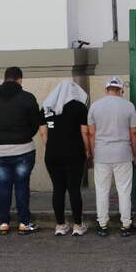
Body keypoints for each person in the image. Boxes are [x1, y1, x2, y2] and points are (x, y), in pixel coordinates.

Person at [0, 66, 45, 235]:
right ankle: (24, 223)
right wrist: (25, 135)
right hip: (23, 148)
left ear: (5, 78)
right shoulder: (27, 98)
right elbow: (35, 122)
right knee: (22, 186)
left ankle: (3, 223)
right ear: (19, 79)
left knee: (3, 186)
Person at [88, 77, 136, 237]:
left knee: (102, 190)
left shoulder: (95, 106)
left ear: (106, 90)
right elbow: (133, 133)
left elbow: (91, 133)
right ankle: (126, 225)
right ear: (121, 91)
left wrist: (93, 152)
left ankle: (102, 225)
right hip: (123, 153)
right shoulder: (129, 106)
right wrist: (134, 153)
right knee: (124, 190)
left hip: (101, 153)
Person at [41, 80, 91, 237]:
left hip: (52, 154)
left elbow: (43, 132)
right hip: (74, 153)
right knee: (74, 189)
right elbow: (84, 132)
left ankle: (60, 225)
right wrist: (88, 150)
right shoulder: (79, 107)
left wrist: (51, 147)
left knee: (58, 189)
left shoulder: (46, 108)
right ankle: (78, 225)